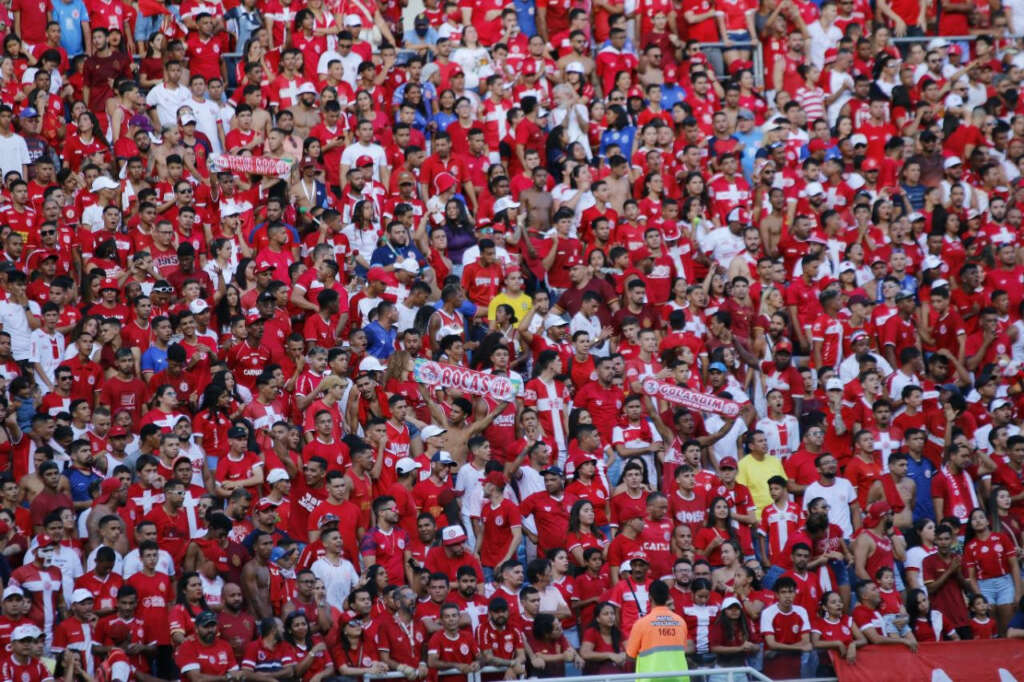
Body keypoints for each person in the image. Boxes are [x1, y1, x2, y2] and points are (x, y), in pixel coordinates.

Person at [624, 580, 688, 682]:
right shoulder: (681, 622)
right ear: (668, 597)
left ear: (650, 597)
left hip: (651, 679)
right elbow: (683, 649)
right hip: (679, 678)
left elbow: (630, 656)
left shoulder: (641, 624)